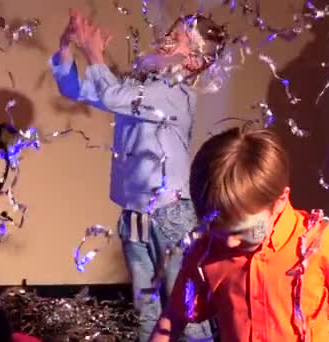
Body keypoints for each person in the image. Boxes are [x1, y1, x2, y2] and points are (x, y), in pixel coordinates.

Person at [50, 9, 228, 341]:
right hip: (135, 212)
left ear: (194, 62)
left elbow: (113, 96)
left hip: (170, 216)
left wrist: (94, 54)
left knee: (186, 311)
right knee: (146, 312)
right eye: (170, 34)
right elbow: (79, 91)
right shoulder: (144, 87)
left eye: (177, 40)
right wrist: (66, 50)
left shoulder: (174, 95)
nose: (165, 41)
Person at [149, 127, 329, 341]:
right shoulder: (207, 252)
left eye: (241, 231)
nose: (230, 242)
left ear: (280, 201)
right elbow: (174, 318)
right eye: (217, 230)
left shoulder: (323, 242)